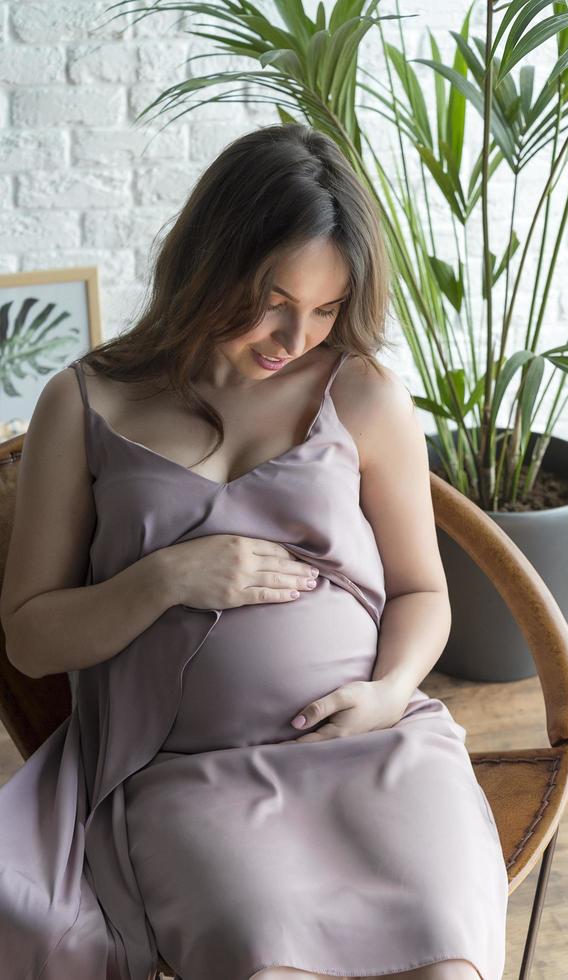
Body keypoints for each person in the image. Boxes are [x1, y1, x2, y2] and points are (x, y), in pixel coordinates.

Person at [0, 123, 508, 980]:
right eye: (273, 299)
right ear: (209, 263)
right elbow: (30, 638)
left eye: (325, 309)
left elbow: (424, 590)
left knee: (442, 952)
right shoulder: (85, 402)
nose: (293, 336)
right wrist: (165, 578)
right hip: (187, 771)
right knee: (259, 952)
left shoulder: (365, 394)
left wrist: (388, 694)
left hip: (375, 748)